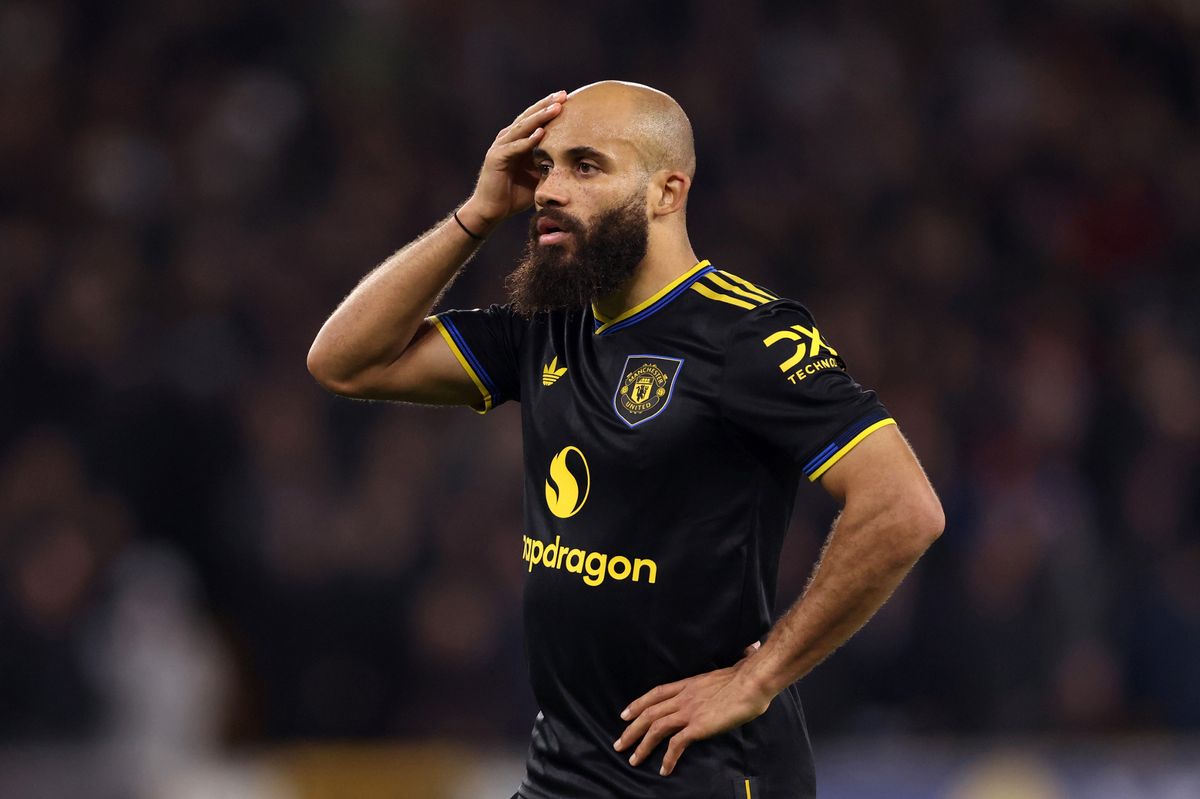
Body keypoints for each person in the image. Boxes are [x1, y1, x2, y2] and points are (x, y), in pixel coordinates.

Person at [307, 81, 944, 799]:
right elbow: (345, 360)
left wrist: (758, 677)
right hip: (564, 771)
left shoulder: (745, 335)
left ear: (667, 191)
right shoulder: (549, 325)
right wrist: (478, 213)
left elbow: (902, 505)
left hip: (698, 774)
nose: (549, 190)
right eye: (544, 167)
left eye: (586, 166)